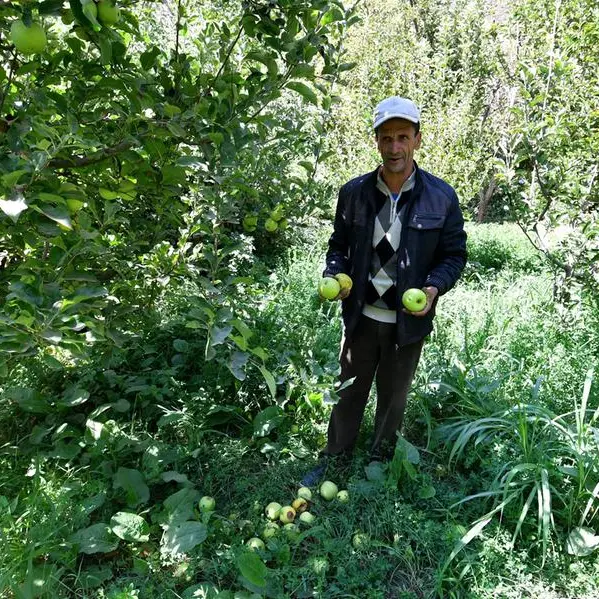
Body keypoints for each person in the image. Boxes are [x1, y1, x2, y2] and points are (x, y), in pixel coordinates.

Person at [301, 96, 467, 486]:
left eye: (403, 137)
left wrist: (433, 288)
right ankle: (335, 457)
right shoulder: (355, 192)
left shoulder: (440, 197)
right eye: (387, 137)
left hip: (405, 324)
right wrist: (335, 274)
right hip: (361, 317)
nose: (395, 147)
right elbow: (338, 246)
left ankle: (378, 461)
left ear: (417, 140)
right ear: (377, 141)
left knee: (393, 399)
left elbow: (454, 255)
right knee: (347, 393)